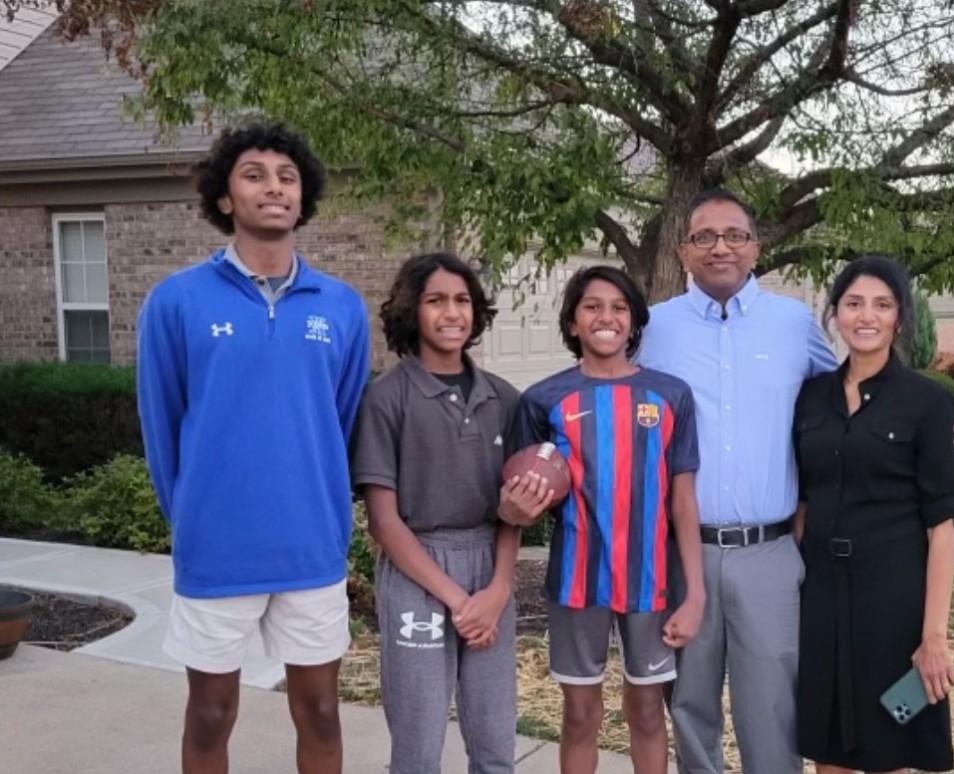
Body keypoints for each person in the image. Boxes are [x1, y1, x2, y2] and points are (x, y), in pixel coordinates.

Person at [638, 189, 954, 774]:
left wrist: (940, 433)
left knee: (774, 707)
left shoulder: (792, 324)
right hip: (682, 550)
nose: (721, 247)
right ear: (684, 249)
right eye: (705, 237)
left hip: (770, 552)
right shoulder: (654, 329)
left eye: (735, 235)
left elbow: (859, 401)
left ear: (756, 248)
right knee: (688, 705)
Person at [136, 122, 370, 774]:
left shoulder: (343, 307)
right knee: (210, 714)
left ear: (303, 197)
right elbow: (164, 423)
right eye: (254, 174)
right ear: (224, 198)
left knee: (321, 710)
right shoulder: (175, 301)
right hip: (217, 549)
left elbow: (340, 417)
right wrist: (188, 518)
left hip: (310, 548)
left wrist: (328, 515)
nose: (274, 187)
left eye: (287, 177)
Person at [351, 253, 549, 773]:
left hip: (489, 566)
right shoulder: (387, 399)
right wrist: (460, 602)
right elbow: (383, 522)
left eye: (462, 300)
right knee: (418, 739)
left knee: (493, 734)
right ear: (411, 311)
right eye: (435, 300)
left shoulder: (505, 399)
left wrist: (500, 589)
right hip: (419, 570)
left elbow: (512, 513)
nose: (451, 312)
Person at [506, 265, 706, 774]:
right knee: (579, 715)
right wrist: (522, 501)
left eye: (619, 308)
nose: (606, 317)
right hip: (576, 583)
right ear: (572, 322)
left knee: (646, 710)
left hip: (651, 584)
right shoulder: (542, 399)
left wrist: (697, 591)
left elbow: (683, 499)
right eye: (592, 306)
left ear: (634, 323)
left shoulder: (671, 395)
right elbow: (523, 496)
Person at [793, 255, 954, 773]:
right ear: (836, 314)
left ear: (900, 318)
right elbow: (802, 497)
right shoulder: (810, 396)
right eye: (854, 303)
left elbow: (942, 527)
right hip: (820, 595)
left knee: (889, 744)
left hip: (892, 598)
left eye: (882, 305)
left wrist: (934, 635)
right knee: (828, 749)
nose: (867, 316)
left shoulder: (928, 403)